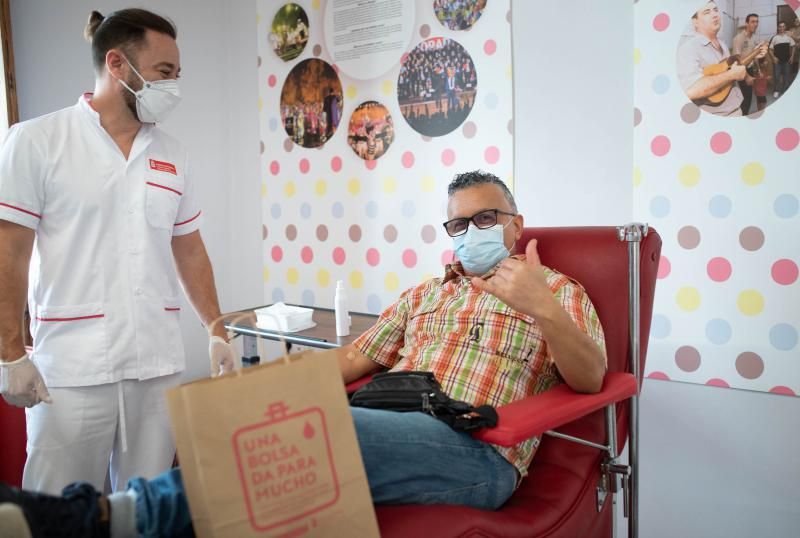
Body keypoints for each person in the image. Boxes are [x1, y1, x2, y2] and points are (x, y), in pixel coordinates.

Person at [0, 171, 607, 537]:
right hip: (391, 419)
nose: (471, 231)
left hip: (474, 452)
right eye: (459, 224)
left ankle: (96, 520)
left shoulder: (557, 290)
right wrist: (261, 386)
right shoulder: (427, 294)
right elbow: (350, 362)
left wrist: (540, 307)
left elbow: (591, 378)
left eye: (486, 218)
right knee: (248, 427)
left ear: (515, 222)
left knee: (318, 427)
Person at [0, 9, 238, 497]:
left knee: (146, 508)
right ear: (117, 64)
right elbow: (10, 252)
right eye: (164, 72)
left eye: (177, 74)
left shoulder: (172, 153)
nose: (174, 86)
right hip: (70, 370)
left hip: (156, 365)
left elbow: (189, 248)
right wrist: (7, 354)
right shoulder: (38, 141)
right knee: (56, 512)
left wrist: (215, 328)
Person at [676, 1, 765, 117]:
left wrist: (755, 54)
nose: (715, 15)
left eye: (716, 10)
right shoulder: (688, 48)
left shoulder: (722, 44)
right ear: (695, 22)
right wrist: (731, 75)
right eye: (707, 12)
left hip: (736, 109)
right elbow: (691, 90)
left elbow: (731, 69)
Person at [731, 13, 760, 115]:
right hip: (742, 71)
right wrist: (747, 77)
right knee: (745, 98)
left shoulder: (753, 38)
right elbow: (737, 61)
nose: (755, 24)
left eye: (757, 22)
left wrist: (758, 70)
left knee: (748, 97)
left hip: (750, 69)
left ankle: (744, 115)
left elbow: (754, 55)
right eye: (752, 22)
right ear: (746, 23)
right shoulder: (738, 38)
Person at [768, 21, 795, 98]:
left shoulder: (789, 37)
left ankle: (785, 91)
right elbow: (769, 49)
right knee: (777, 77)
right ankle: (776, 90)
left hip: (787, 61)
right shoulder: (774, 38)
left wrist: (792, 56)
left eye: (783, 26)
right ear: (778, 28)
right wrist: (773, 57)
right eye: (780, 26)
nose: (782, 28)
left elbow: (793, 46)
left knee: (786, 76)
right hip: (777, 62)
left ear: (785, 27)